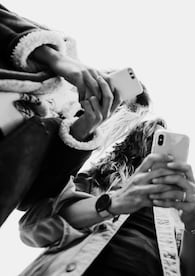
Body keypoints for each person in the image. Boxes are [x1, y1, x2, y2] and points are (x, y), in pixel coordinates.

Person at [0, 4, 149, 226]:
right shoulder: (60, 48)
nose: (105, 100)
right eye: (109, 86)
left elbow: (30, 200)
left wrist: (82, 130)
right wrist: (55, 59)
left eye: (116, 107)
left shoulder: (72, 141)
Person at [19, 118, 195, 276]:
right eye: (155, 138)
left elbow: (194, 272)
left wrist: (192, 223)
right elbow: (34, 227)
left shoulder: (177, 204)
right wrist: (115, 202)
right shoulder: (98, 178)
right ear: (137, 143)